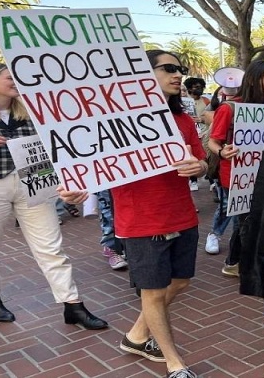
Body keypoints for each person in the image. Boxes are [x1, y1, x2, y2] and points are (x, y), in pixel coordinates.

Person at [60, 50, 208, 378]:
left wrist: (199, 166)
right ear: (141, 73)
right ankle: (174, 364)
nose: (177, 75)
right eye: (168, 68)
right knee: (152, 293)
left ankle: (137, 336)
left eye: (180, 69)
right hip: (140, 219)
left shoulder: (183, 120)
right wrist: (76, 186)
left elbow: (201, 160)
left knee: (181, 281)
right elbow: (89, 165)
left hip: (182, 215)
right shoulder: (113, 121)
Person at [0, 63, 109, 328]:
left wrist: (66, 182)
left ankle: (73, 304)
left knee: (51, 248)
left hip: (33, 181)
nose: (17, 82)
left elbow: (56, 148)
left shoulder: (32, 110)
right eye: (10, 77)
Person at [207, 61, 264, 272]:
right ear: (253, 80)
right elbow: (213, 141)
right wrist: (222, 152)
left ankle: (243, 262)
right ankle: (236, 263)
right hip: (235, 175)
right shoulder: (229, 108)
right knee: (243, 221)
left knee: (255, 220)